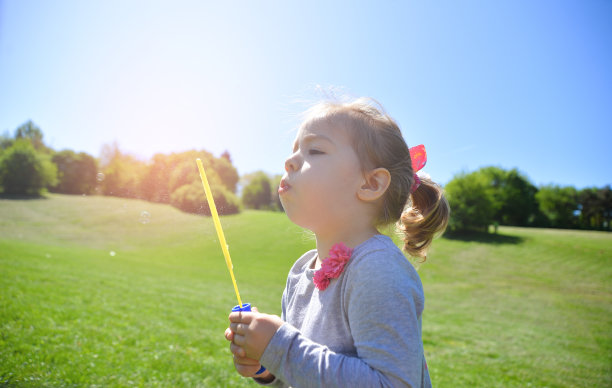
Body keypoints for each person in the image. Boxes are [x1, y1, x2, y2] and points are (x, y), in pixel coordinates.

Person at [224, 97, 450, 387]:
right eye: (294, 150)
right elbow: (301, 372)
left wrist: (280, 348)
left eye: (314, 150)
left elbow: (393, 383)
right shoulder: (301, 269)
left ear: (370, 184)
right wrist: (265, 364)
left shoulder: (377, 268)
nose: (289, 161)